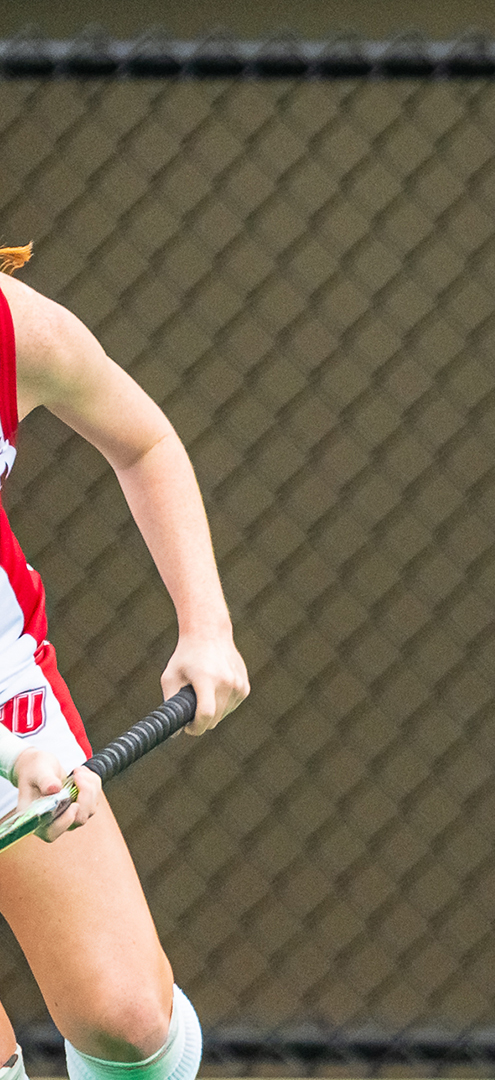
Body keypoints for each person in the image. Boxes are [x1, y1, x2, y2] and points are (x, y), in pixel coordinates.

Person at [0, 246, 248, 1080]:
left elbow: (144, 442)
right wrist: (11, 759)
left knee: (128, 1021)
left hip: (5, 683)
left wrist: (206, 626)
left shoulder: (15, 327)